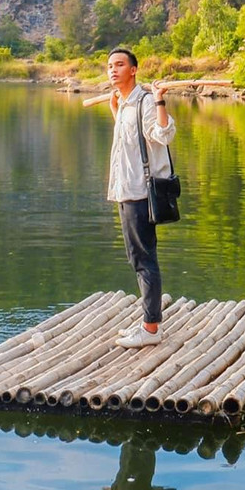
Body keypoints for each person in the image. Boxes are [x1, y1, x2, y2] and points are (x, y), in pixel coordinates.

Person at [105, 47, 174, 347]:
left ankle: (151, 329)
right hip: (125, 190)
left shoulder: (145, 101)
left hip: (140, 194)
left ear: (133, 69)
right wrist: (114, 109)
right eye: (110, 66)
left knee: (144, 259)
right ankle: (149, 320)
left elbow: (164, 134)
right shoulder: (124, 104)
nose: (113, 70)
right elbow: (128, 143)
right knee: (137, 258)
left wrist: (160, 100)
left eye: (120, 65)